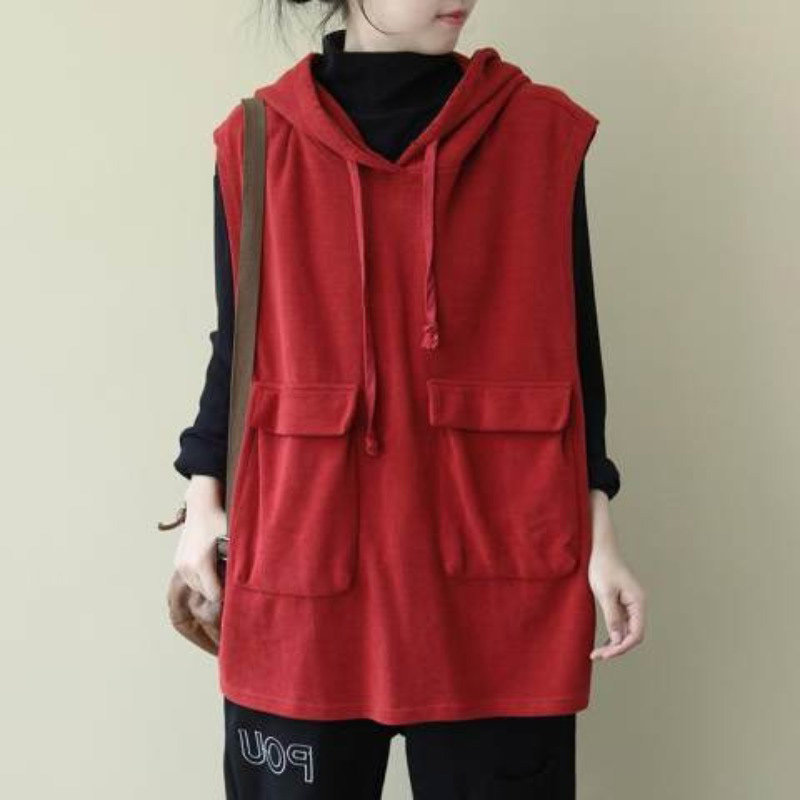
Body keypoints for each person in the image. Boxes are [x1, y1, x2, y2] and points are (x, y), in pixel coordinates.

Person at [170, 2, 646, 797]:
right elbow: (240, 343)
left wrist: (600, 530)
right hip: (304, 565)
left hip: (500, 578)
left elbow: (573, 349)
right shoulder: (256, 138)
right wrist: (201, 501)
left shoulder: (540, 132)